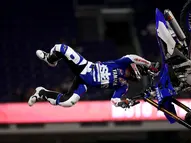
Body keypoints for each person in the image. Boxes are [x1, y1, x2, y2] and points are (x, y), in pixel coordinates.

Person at [28, 44, 160, 108]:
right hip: (85, 67)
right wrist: (150, 65)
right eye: (131, 74)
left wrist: (122, 103)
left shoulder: (123, 85)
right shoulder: (122, 63)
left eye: (132, 77)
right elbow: (132, 57)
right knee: (62, 49)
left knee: (68, 102)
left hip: (85, 83)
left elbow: (114, 100)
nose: (129, 76)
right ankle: (50, 59)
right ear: (132, 68)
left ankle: (42, 93)